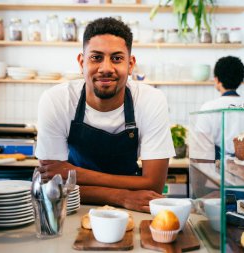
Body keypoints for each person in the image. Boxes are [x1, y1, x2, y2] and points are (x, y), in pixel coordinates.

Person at [35, 17, 175, 213]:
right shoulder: (56, 100)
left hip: (131, 211)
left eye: (117, 58)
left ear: (130, 64)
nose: (106, 68)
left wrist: (74, 174)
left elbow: (153, 185)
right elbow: (52, 184)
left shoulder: (151, 99)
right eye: (96, 57)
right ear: (81, 62)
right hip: (73, 209)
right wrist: (121, 195)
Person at [189, 55, 244, 161]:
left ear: (216, 80)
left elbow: (201, 150)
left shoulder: (209, 108)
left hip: (219, 172)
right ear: (241, 80)